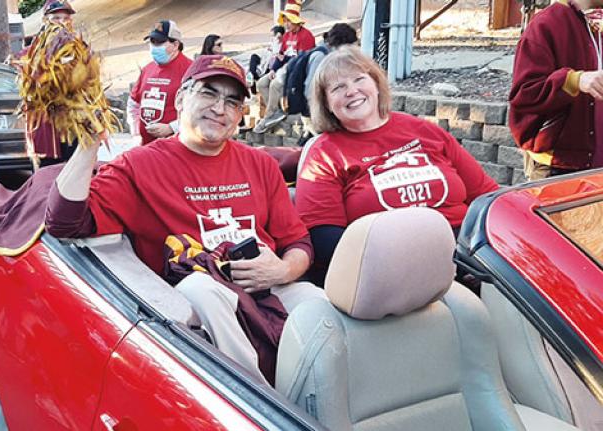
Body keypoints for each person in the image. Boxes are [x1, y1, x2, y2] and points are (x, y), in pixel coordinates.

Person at [46, 55, 324, 384]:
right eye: (208, 93)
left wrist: (282, 269)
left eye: (232, 101)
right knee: (201, 289)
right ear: (181, 98)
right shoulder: (139, 166)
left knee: (318, 303)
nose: (220, 109)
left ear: (239, 115)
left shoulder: (260, 165)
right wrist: (88, 145)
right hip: (200, 303)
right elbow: (64, 223)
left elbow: (298, 242)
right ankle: (258, 406)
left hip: (269, 288)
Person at [296, 48, 499, 286]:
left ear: (376, 84)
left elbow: (487, 197)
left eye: (360, 79)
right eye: (338, 88)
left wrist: (481, 253)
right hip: (390, 269)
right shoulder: (325, 154)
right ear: (327, 103)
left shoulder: (424, 130)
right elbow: (324, 238)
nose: (352, 91)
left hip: (466, 254)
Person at [509, 0, 603, 180]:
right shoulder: (545, 24)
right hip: (558, 168)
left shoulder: (595, 22)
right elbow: (524, 94)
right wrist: (575, 80)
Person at [21, 0, 81, 167]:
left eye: (66, 18)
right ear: (45, 20)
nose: (61, 23)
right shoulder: (32, 52)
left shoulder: (80, 49)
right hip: (45, 128)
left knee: (73, 176)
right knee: (46, 179)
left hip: (73, 125)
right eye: (56, 18)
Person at [253, 0, 315, 133]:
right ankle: (276, 112)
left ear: (295, 21)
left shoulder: (306, 36)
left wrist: (285, 61)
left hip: (296, 71)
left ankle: (269, 116)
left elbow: (302, 61)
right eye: (285, 21)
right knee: (262, 83)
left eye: (288, 21)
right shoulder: (287, 35)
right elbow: (281, 55)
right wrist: (273, 69)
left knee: (275, 84)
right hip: (284, 68)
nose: (285, 24)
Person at [127, 20, 192, 145]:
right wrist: (135, 134)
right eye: (152, 42)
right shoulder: (147, 69)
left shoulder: (190, 70)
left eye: (160, 42)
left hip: (177, 147)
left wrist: (172, 127)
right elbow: (133, 104)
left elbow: (199, 112)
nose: (154, 46)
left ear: (175, 44)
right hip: (145, 147)